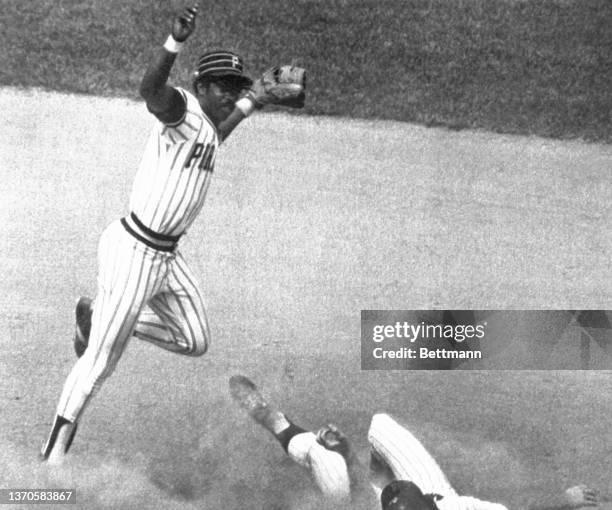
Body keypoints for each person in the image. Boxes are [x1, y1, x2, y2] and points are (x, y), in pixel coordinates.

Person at [40, 5, 288, 464]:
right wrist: (174, 43)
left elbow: (215, 136)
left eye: (236, 88)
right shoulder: (182, 110)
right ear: (201, 88)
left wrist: (254, 102)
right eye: (224, 88)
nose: (230, 95)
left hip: (167, 259)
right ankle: (51, 458)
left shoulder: (208, 128)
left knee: (194, 339)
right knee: (98, 364)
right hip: (134, 252)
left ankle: (101, 317)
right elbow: (149, 91)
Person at [229, 375, 605, 510]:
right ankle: (377, 464)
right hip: (421, 491)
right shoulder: (457, 508)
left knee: (325, 461)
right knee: (379, 426)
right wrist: (564, 500)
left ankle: (274, 420)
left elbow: (360, 495)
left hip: (357, 504)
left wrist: (340, 454)